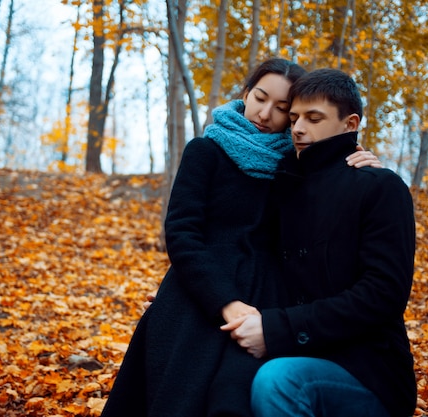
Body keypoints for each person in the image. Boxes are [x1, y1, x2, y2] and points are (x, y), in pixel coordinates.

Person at [100, 59, 382, 417]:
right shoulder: (205, 151)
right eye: (260, 98)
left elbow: (323, 212)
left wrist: (365, 163)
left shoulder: (295, 167)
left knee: (234, 399)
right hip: (200, 296)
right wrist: (225, 302)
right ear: (245, 94)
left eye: (281, 109)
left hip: (265, 303)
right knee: (177, 398)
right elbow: (182, 233)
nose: (265, 114)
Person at [221, 68, 416, 417]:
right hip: (291, 353)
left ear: (349, 123)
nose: (297, 128)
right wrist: (184, 299)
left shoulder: (379, 187)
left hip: (367, 373)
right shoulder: (282, 185)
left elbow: (382, 294)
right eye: (293, 117)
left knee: (278, 380)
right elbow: (242, 253)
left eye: (313, 118)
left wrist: (277, 328)